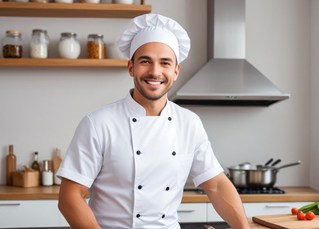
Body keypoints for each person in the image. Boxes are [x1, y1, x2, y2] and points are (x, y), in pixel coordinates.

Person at [57, 13, 250, 229]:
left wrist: (243, 227)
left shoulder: (189, 123)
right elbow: (69, 197)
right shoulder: (98, 123)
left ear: (176, 71)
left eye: (165, 63)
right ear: (131, 67)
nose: (155, 72)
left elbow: (216, 185)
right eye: (145, 61)